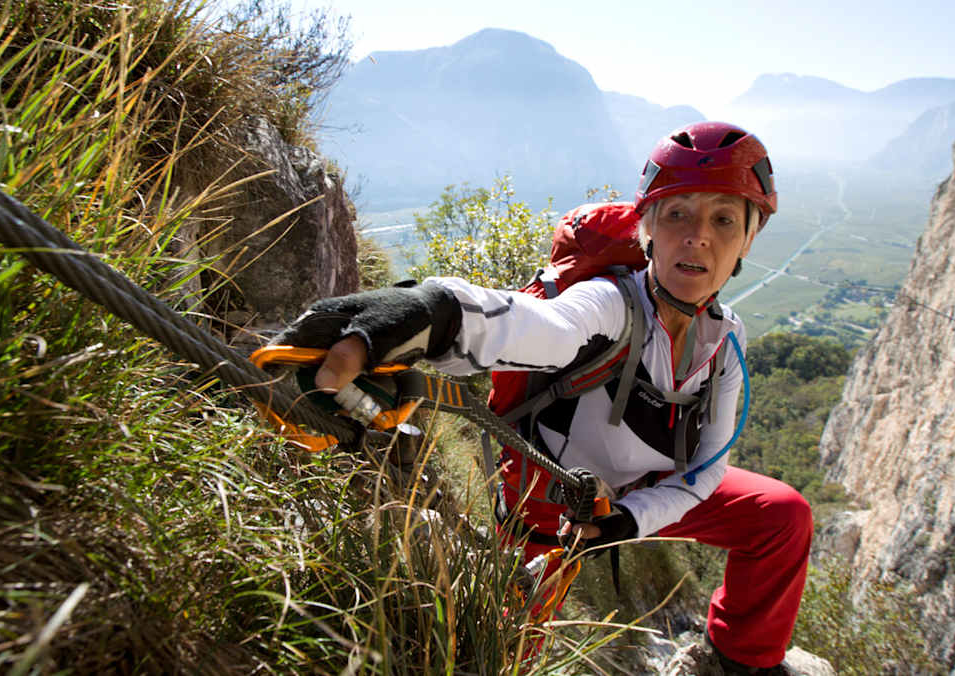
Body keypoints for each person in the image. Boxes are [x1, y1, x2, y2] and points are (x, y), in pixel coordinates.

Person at [298, 122, 811, 675]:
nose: (699, 236)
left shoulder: (724, 343)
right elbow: (541, 326)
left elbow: (704, 473)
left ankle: (744, 659)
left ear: (748, 240)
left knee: (780, 517)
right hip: (552, 500)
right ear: (648, 230)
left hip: (639, 492)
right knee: (505, 646)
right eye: (677, 213)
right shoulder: (611, 304)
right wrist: (433, 311)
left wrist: (628, 520)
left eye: (724, 220)